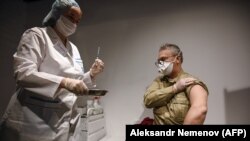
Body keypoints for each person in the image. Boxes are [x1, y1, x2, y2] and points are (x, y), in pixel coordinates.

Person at [0, 0, 104, 140]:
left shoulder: (74, 49)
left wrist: (91, 74)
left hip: (64, 120)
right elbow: (23, 73)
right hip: (33, 122)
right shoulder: (36, 35)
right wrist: (63, 82)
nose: (74, 23)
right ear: (57, 13)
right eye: (71, 17)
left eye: (77, 21)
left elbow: (75, 83)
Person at [144, 43, 208, 125]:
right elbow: (148, 101)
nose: (160, 64)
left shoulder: (190, 81)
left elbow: (200, 110)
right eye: (159, 61)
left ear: (177, 59)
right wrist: (174, 88)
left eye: (163, 59)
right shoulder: (159, 81)